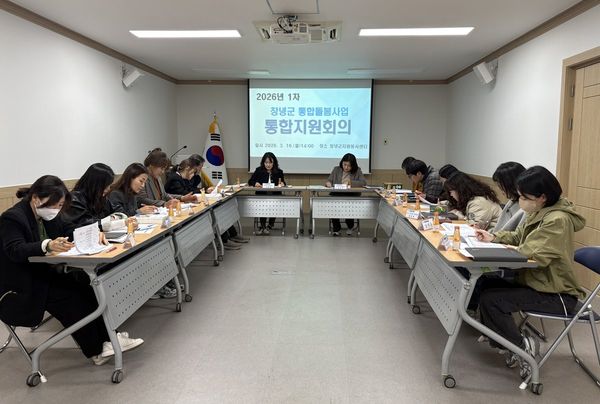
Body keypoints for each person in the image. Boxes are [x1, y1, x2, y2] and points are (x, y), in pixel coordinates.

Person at [0, 176, 143, 366]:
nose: (57, 210)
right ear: (36, 198)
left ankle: (110, 338)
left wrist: (93, 234)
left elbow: (67, 231)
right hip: (21, 286)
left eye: (60, 205)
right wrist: (47, 245)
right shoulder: (13, 218)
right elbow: (15, 249)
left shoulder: (46, 215)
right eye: (55, 205)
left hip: (43, 275)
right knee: (71, 298)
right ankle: (96, 350)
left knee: (86, 286)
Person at [474, 166, 585, 375]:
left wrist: (509, 251)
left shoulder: (557, 220)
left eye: (524, 197)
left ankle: (523, 348)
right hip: (536, 282)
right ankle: (504, 341)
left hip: (556, 294)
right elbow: (518, 237)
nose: (521, 201)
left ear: (542, 197)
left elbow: (534, 254)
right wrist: (494, 237)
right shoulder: (539, 212)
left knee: (492, 300)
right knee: (485, 283)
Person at [188, 155, 249, 246]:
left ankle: (232, 235)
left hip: (198, 201)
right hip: (191, 205)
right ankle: (224, 240)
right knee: (217, 213)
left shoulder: (195, 177)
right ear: (194, 166)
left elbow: (193, 189)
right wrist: (204, 190)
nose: (201, 169)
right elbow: (187, 191)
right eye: (200, 166)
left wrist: (206, 189)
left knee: (222, 210)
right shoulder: (181, 177)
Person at [61, 163, 123, 237]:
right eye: (106, 185)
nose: (108, 189)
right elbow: (89, 225)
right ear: (96, 184)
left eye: (109, 185)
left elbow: (118, 210)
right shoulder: (74, 200)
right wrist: (110, 220)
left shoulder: (100, 197)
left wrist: (114, 217)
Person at [326, 153, 367, 236]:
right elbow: (329, 180)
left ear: (353, 166)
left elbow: (363, 182)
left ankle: (350, 226)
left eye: (349, 166)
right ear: (342, 162)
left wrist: (351, 183)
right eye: (344, 164)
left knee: (349, 204)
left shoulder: (357, 171)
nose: (346, 167)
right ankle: (336, 228)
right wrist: (328, 183)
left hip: (351, 194)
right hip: (337, 193)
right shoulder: (336, 169)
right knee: (333, 204)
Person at [249, 152, 286, 235]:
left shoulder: (279, 171)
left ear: (274, 163)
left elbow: (283, 182)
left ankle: (270, 225)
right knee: (263, 206)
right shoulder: (259, 170)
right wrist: (255, 183)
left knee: (275, 206)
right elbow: (250, 181)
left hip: (275, 196)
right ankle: (263, 226)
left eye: (270, 163)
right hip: (262, 196)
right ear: (263, 163)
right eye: (266, 163)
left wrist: (282, 183)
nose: (268, 165)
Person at [491, 162, 527, 232]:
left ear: (511, 185)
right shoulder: (512, 201)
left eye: (501, 186)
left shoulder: (526, 208)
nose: (501, 190)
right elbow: (499, 229)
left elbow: (515, 236)